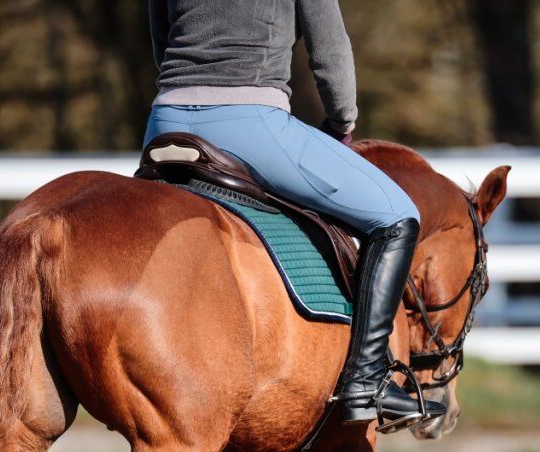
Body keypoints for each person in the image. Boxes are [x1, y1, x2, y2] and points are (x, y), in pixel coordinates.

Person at [147, 0, 445, 428]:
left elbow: (163, 42)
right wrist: (342, 121)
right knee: (397, 216)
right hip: (249, 122)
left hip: (165, 119)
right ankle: (367, 381)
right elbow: (329, 50)